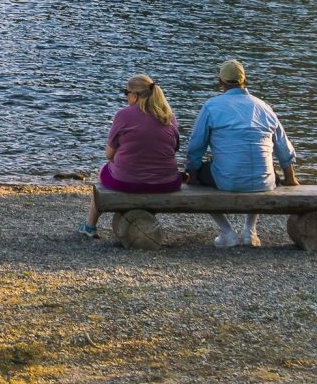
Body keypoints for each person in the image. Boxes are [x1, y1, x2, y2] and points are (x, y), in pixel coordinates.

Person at [180, 58, 298, 248]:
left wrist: (192, 173)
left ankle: (227, 232)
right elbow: (283, 148)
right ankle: (250, 230)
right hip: (265, 181)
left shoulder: (211, 106)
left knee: (200, 179)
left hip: (227, 179)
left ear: (220, 82)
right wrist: (291, 178)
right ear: (246, 80)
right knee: (260, 165)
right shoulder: (264, 107)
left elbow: (196, 147)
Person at [83, 73, 182, 237]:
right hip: (167, 182)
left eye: (126, 93)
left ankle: (90, 225)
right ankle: (143, 215)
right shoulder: (169, 117)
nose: (126, 97)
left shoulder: (123, 115)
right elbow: (173, 149)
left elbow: (109, 154)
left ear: (134, 96)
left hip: (127, 182)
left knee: (104, 170)